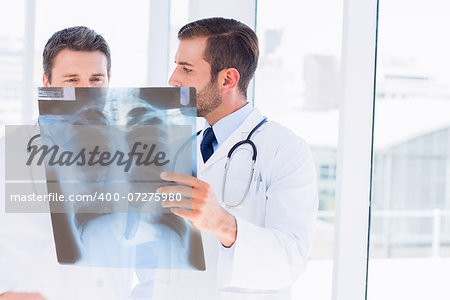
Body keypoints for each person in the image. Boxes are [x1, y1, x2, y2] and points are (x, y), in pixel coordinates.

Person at [153, 17, 318, 299]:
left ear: (227, 79)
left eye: (186, 68)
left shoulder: (286, 150)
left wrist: (222, 224)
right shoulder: (178, 149)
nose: (173, 79)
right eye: (176, 64)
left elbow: (292, 259)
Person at [0, 26, 135, 300]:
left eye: (96, 79)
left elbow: (154, 263)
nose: (85, 92)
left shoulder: (137, 155)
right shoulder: (8, 153)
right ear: (47, 84)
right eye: (72, 80)